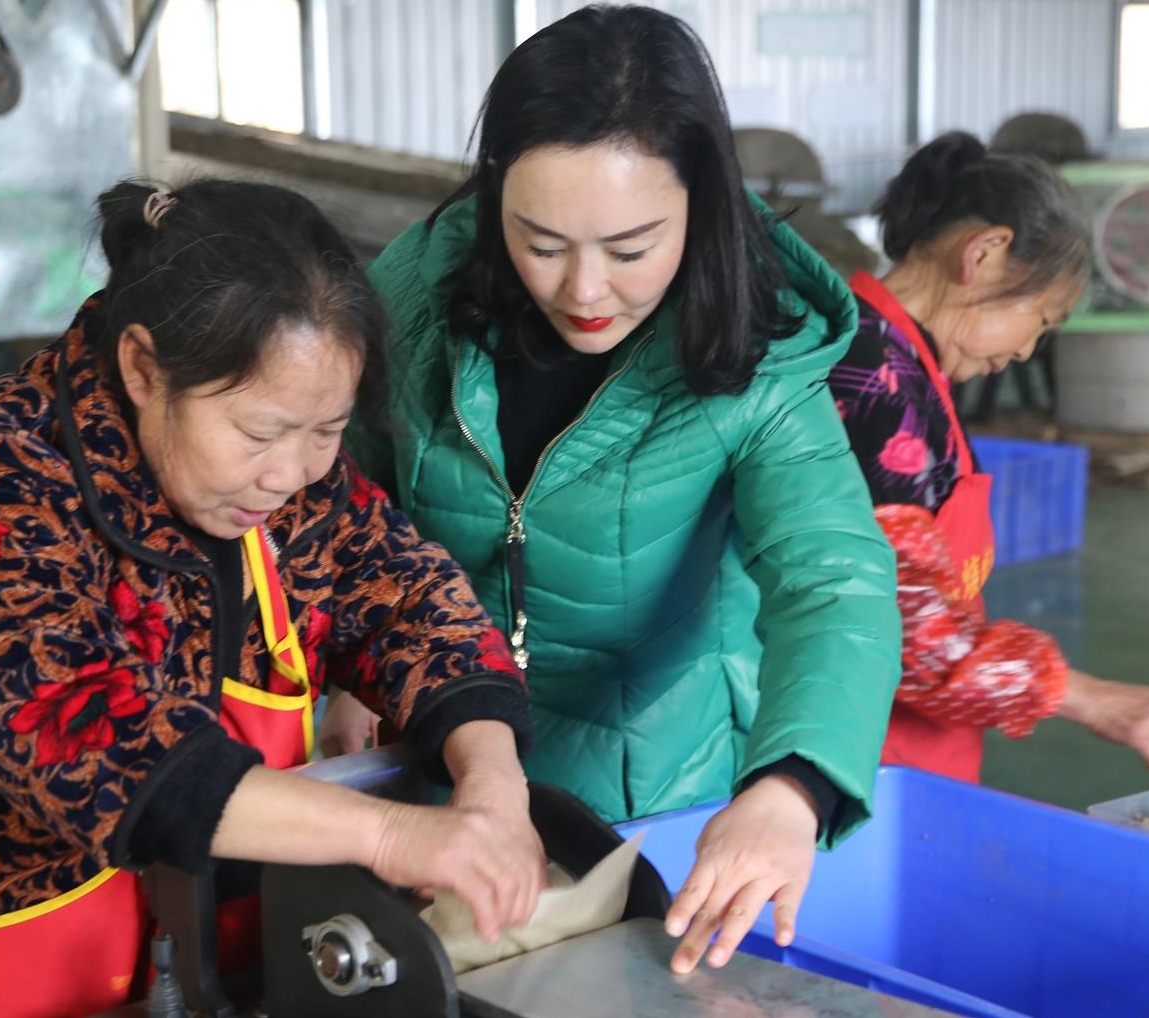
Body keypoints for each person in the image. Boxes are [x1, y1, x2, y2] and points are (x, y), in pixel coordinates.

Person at [0, 180, 546, 1018]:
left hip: (208, 965)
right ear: (144, 369)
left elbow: (410, 600)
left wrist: (491, 785)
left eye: (326, 432)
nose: (290, 474)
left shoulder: (294, 486)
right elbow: (80, 733)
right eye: (259, 433)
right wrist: (392, 835)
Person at [334, 4, 901, 977]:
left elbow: (832, 580)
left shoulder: (759, 357)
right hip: (445, 764)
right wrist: (346, 667)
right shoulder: (416, 296)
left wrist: (790, 788)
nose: (584, 289)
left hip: (656, 795)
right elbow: (352, 492)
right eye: (541, 242)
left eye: (631, 249)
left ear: (701, 204)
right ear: (494, 187)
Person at [831, 132, 1149, 783]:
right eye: (1041, 317)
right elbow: (902, 629)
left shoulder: (910, 367)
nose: (1027, 350)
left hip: (914, 759)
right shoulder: (873, 380)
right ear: (982, 253)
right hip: (861, 763)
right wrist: (1089, 697)